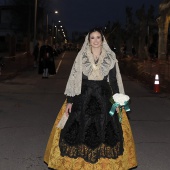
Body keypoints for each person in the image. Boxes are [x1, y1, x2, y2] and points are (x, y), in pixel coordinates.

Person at [44, 28, 137, 170]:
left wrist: (117, 101)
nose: (95, 40)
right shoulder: (81, 56)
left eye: (98, 37)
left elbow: (113, 81)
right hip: (82, 96)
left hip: (104, 97)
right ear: (88, 40)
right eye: (92, 38)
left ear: (102, 39)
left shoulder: (110, 57)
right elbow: (75, 79)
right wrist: (70, 100)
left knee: (105, 130)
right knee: (79, 130)